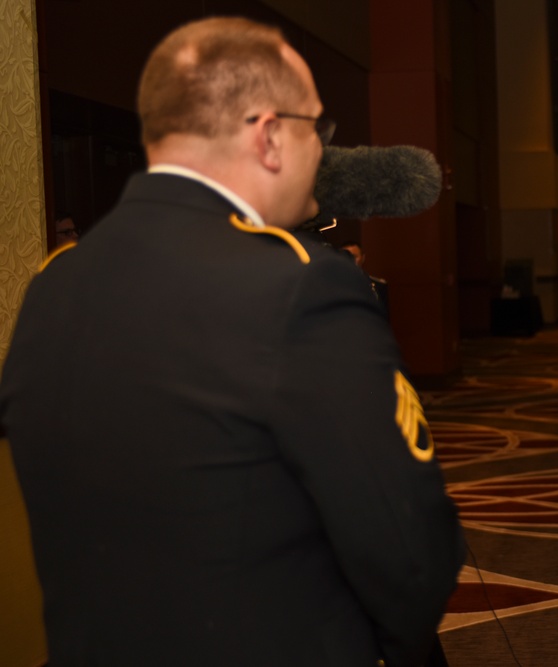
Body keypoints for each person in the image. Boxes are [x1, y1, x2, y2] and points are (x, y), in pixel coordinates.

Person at [0, 17, 464, 667]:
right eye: (317, 130)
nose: (323, 154)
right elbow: (413, 563)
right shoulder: (300, 287)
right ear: (271, 136)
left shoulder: (53, 285)